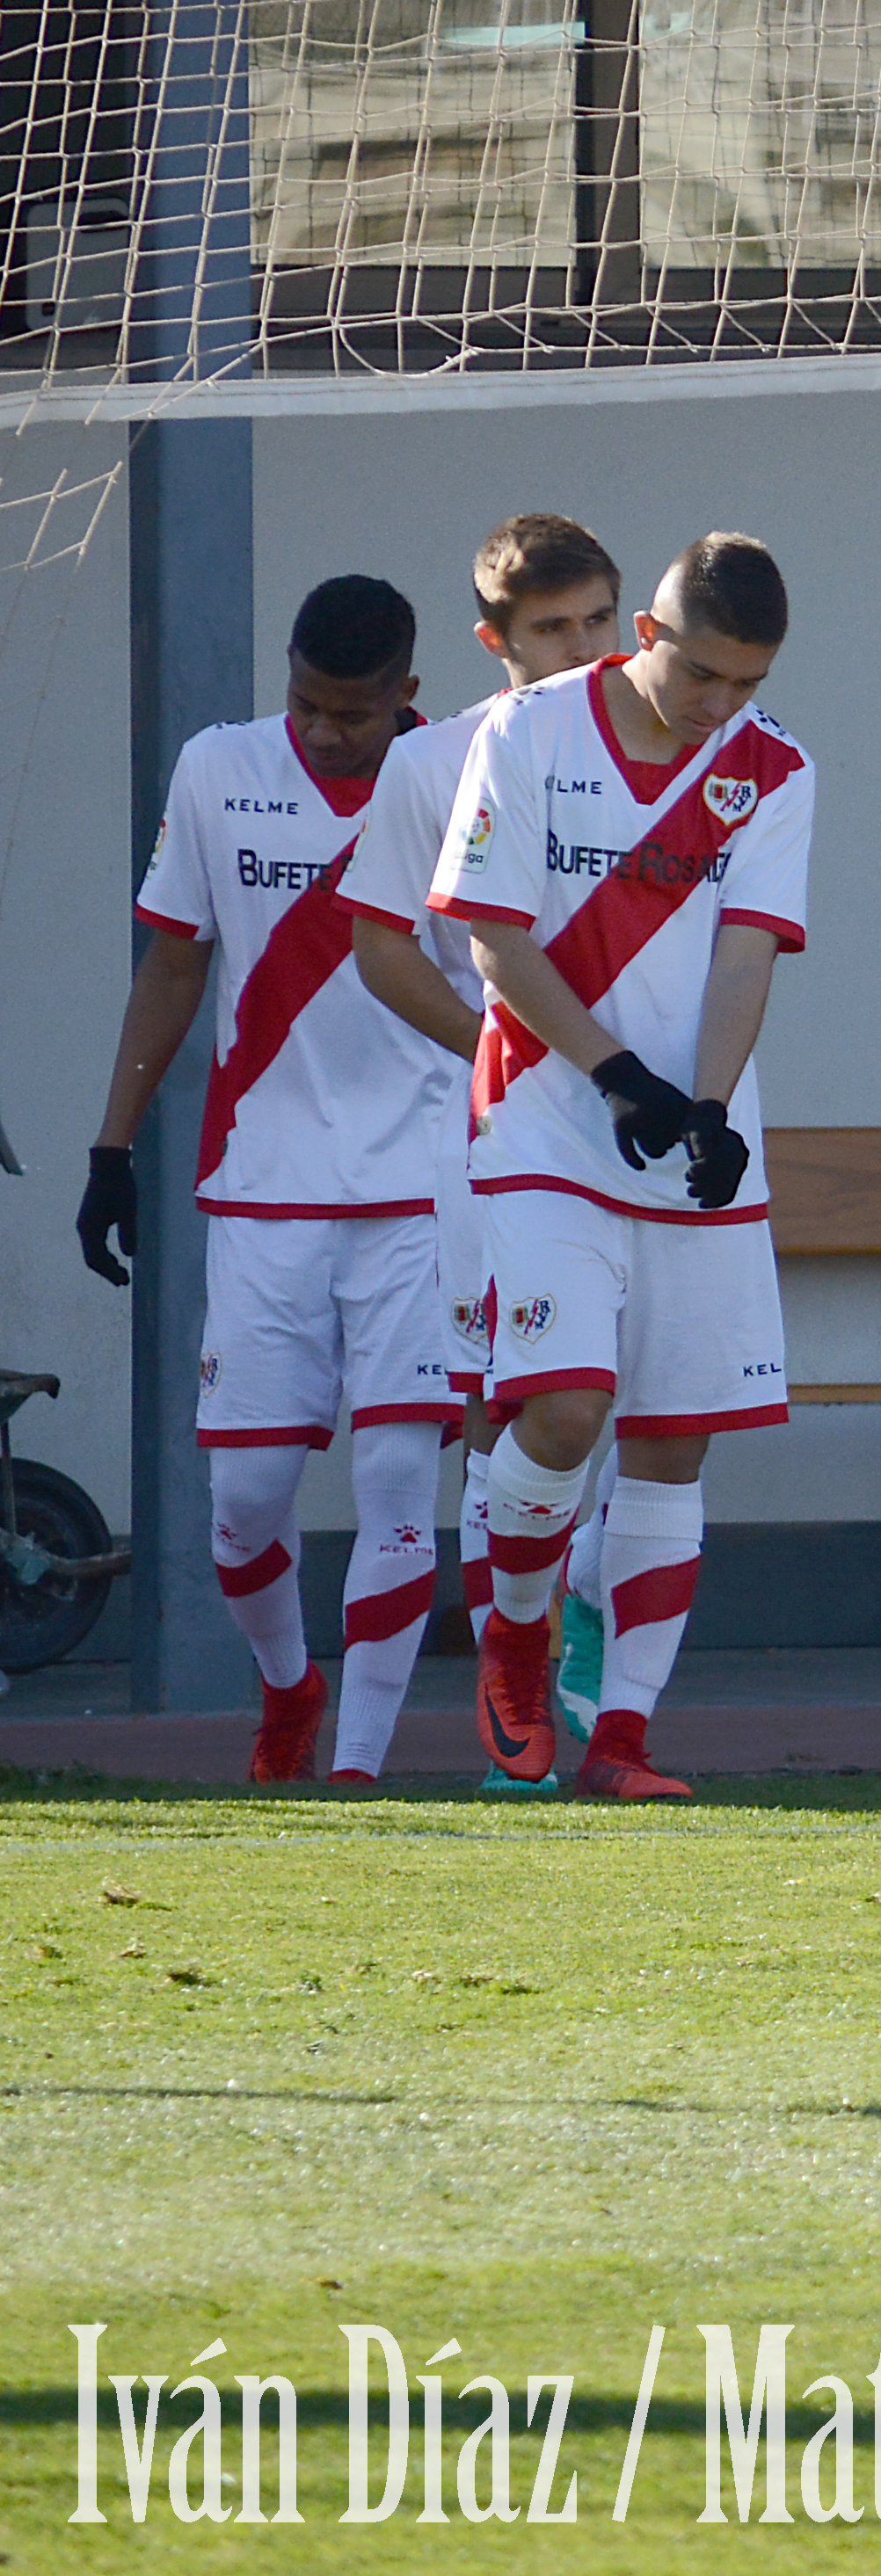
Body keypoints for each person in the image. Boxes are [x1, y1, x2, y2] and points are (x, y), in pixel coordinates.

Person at [435, 534, 816, 1801]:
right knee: (562, 1405)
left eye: (745, 683)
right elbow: (494, 940)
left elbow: (748, 955)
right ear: (646, 634)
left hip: (684, 1143)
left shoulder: (776, 769)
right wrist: (615, 1074)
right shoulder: (529, 733)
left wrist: (706, 1108)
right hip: (545, 1125)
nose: (718, 705)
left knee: (672, 1442)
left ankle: (627, 1737)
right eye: (701, 672)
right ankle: (515, 1642)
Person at [83, 576, 463, 1786]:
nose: (327, 729)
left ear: (406, 692)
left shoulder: (462, 778)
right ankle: (291, 1686)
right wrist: (111, 1147)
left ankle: (355, 1769)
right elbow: (174, 966)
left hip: (426, 1181)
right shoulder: (215, 769)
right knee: (243, 1501)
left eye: (354, 712)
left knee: (401, 1472)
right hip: (263, 1181)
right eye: (307, 703)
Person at [339, 515, 630, 1780]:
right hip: (499, 1138)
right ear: (494, 639)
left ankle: (587, 1613)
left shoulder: (683, 741)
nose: (579, 649)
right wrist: (497, 1044)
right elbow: (380, 942)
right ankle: (521, 1617)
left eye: (597, 621)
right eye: (549, 630)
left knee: (634, 1401)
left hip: (646, 1127)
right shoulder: (435, 763)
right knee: (522, 1397)